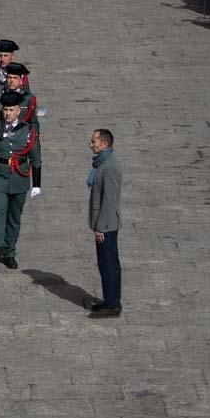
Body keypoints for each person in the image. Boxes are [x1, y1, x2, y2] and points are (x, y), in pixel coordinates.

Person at [0, 90, 41, 269]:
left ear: (18, 111)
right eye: (5, 110)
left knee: (14, 218)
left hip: (19, 178)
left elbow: (36, 158)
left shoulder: (28, 131)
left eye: (11, 110)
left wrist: (36, 184)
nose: (7, 113)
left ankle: (9, 252)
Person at [86, 127, 123, 318]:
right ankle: (110, 299)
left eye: (94, 141)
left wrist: (101, 227)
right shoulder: (103, 163)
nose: (91, 144)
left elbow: (109, 200)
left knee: (108, 264)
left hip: (106, 225)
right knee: (107, 264)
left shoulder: (108, 167)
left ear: (104, 144)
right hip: (105, 224)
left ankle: (112, 305)